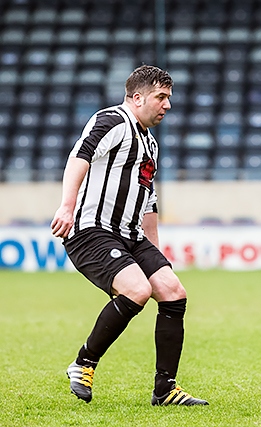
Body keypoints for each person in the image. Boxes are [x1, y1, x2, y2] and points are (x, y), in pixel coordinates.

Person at [50, 65, 208, 406]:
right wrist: (67, 206)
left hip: (131, 235)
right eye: (161, 97)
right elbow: (80, 157)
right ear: (137, 98)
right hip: (92, 230)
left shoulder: (150, 143)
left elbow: (148, 200)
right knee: (137, 290)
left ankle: (165, 390)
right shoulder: (111, 120)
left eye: (169, 98)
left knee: (173, 292)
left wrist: (155, 253)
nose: (167, 105)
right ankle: (83, 363)